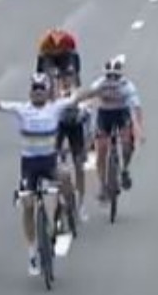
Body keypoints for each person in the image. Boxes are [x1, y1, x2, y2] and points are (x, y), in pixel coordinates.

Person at [0, 73, 97, 277]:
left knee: (65, 177)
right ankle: (32, 253)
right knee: (28, 205)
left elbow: (77, 97)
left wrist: (99, 89)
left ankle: (68, 209)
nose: (38, 92)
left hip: (49, 163)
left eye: (41, 89)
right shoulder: (21, 109)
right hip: (29, 167)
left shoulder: (55, 108)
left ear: (47, 92)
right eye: (35, 89)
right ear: (30, 92)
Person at [90, 55, 144, 203]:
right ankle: (102, 185)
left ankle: (125, 169)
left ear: (121, 76)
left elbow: (136, 108)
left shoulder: (127, 86)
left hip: (121, 114)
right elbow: (90, 101)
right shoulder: (99, 84)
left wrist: (139, 129)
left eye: (116, 76)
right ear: (105, 75)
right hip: (104, 115)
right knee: (101, 150)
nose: (112, 79)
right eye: (109, 76)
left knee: (127, 144)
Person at [55, 65, 92, 222]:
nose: (65, 80)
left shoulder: (79, 94)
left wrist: (89, 140)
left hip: (76, 128)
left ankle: (81, 204)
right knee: (56, 166)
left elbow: (88, 117)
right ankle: (60, 200)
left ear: (73, 78)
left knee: (79, 165)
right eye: (62, 77)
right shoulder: (53, 94)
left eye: (68, 76)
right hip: (59, 128)